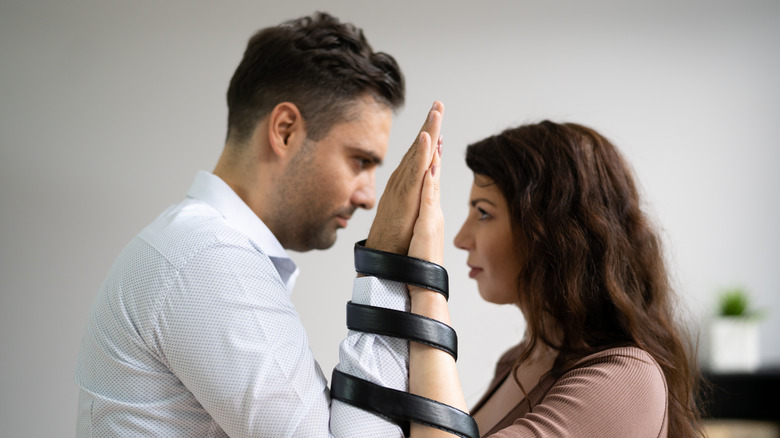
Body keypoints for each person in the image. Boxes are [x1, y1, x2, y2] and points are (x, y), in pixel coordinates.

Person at [75, 11, 444, 437]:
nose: (369, 196)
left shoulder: (195, 248)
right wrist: (387, 266)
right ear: (285, 130)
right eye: (360, 161)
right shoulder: (208, 259)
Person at [401, 121, 705, 437]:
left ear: (551, 234)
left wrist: (426, 285)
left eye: (484, 213)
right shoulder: (517, 362)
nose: (461, 238)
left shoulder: (625, 379)